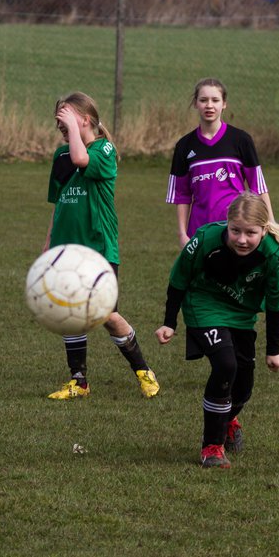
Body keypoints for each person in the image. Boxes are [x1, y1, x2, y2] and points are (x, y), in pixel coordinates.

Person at [154, 194, 279, 469]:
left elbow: (278, 302)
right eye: (236, 231)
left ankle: (228, 419)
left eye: (251, 233)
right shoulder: (205, 239)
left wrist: (274, 349)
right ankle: (212, 447)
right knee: (225, 364)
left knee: (243, 386)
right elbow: (179, 278)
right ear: (227, 225)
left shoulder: (274, 253)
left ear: (264, 230)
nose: (242, 239)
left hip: (242, 314)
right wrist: (169, 322)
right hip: (204, 305)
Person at [44, 92, 159, 400]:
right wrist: (48, 245)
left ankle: (143, 370)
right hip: (66, 248)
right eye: (58, 120)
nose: (60, 125)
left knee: (105, 314)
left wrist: (73, 131)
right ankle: (78, 382)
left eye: (65, 118)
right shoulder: (60, 156)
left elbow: (82, 159)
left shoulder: (104, 149)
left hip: (98, 247)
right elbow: (58, 205)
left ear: (85, 119)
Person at [166, 78, 274, 248]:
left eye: (215, 100)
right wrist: (182, 234)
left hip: (236, 229)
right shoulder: (184, 146)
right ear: (195, 103)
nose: (209, 105)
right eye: (203, 100)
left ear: (224, 104)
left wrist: (270, 223)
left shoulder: (241, 140)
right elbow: (182, 196)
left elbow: (258, 186)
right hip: (199, 230)